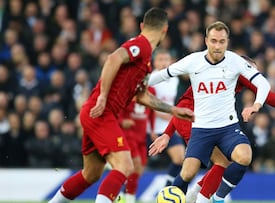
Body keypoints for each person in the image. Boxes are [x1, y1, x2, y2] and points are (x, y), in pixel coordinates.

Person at [48, 7, 194, 203]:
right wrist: (103, 96)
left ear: (142, 25)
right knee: (125, 167)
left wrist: (174, 110)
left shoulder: (146, 61)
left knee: (90, 174)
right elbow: (113, 58)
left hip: (96, 114)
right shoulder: (140, 45)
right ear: (165, 30)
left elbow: (142, 96)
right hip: (102, 112)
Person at [150, 58, 275, 203]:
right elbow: (267, 95)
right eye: (251, 69)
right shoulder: (234, 70)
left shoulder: (226, 76)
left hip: (193, 119)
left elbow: (184, 104)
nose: (253, 74)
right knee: (208, 166)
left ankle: (192, 197)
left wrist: (168, 132)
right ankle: (193, 198)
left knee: (219, 163)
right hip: (193, 120)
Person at [148, 21, 271, 203]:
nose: (217, 46)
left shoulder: (235, 61)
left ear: (227, 42)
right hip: (201, 129)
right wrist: (135, 83)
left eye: (222, 41)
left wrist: (256, 105)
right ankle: (184, 198)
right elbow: (163, 74)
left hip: (227, 128)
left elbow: (263, 83)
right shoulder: (193, 61)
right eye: (213, 41)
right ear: (206, 41)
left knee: (244, 156)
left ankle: (217, 198)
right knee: (188, 173)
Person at [149, 49, 186, 186]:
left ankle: (166, 189)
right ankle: (123, 192)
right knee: (135, 165)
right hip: (149, 128)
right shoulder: (150, 80)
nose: (164, 63)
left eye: (166, 60)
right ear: (154, 62)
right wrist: (168, 114)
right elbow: (147, 105)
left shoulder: (175, 81)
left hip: (167, 128)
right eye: (160, 59)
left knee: (180, 158)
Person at [116, 87, 156, 203]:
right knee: (136, 166)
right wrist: (122, 121)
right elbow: (117, 111)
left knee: (139, 170)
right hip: (128, 135)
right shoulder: (128, 89)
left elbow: (152, 111)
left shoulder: (151, 91)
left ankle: (122, 194)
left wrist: (152, 130)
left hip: (142, 136)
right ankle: (130, 199)